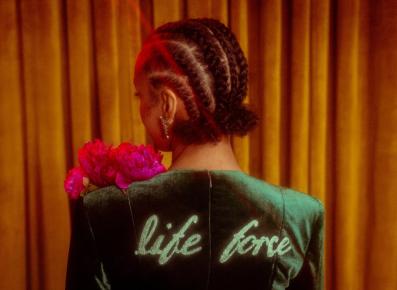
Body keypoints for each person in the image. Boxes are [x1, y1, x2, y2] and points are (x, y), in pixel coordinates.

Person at [65, 18, 324, 290]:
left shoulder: (102, 211)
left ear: (166, 104)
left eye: (139, 95)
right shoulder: (301, 217)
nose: (140, 109)